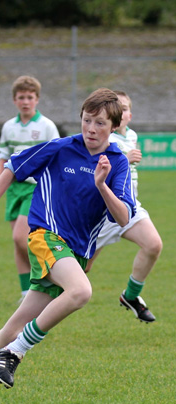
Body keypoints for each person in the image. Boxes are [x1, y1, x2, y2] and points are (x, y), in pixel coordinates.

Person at [0, 88, 136, 404]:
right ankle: (16, 352)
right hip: (46, 237)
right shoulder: (61, 147)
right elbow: (12, 168)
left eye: (100, 123)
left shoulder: (117, 163)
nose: (91, 128)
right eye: (87, 120)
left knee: (12, 328)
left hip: (74, 252)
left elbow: (123, 216)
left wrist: (102, 185)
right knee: (81, 291)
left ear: (114, 127)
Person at [85, 91, 162, 323]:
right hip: (105, 212)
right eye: (118, 108)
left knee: (153, 245)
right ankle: (39, 303)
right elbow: (94, 173)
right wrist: (124, 160)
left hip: (130, 207)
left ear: (130, 115)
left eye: (126, 108)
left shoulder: (132, 135)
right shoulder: (103, 137)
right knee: (82, 268)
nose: (123, 112)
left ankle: (131, 296)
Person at [0, 76, 60, 302]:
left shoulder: (47, 126)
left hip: (36, 188)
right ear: (14, 100)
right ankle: (25, 292)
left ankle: (48, 274)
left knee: (21, 237)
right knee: (16, 240)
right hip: (14, 189)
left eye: (30, 97)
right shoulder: (9, 127)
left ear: (37, 100)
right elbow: (3, 155)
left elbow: (56, 155)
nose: (25, 101)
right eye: (21, 97)